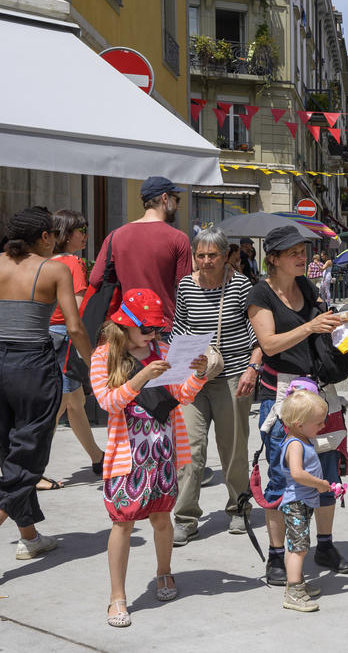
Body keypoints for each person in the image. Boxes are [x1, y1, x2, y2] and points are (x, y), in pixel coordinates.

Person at [88, 288, 208, 628]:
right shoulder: (104, 356)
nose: (152, 335)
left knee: (161, 518)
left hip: (162, 452)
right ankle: (117, 596)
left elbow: (181, 396)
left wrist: (198, 374)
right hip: (126, 456)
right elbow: (107, 402)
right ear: (124, 325)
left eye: (157, 328)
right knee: (122, 523)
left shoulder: (163, 351)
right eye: (146, 329)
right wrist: (142, 377)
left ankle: (164, 572)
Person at [247, 224, 348, 586]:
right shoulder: (261, 294)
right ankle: (277, 556)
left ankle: (325, 545)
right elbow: (269, 344)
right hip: (281, 394)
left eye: (302, 250)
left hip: (318, 392)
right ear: (274, 258)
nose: (301, 256)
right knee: (282, 476)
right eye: (292, 252)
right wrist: (311, 327)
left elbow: (322, 325)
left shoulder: (306, 287)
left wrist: (338, 322)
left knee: (327, 470)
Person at [0, 208, 92, 563]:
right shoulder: (54, 269)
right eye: (54, 234)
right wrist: (93, 362)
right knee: (29, 455)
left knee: (10, 453)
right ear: (43, 237)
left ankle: (29, 537)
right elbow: (74, 326)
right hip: (32, 366)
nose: (56, 240)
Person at [171, 228, 261, 545]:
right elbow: (179, 328)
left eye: (212, 255)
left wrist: (252, 368)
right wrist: (177, 367)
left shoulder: (240, 285)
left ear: (225, 256)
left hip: (233, 376)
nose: (206, 261)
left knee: (233, 449)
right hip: (194, 379)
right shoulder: (186, 286)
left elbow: (255, 332)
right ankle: (185, 518)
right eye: (201, 255)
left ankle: (239, 508)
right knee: (189, 450)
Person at [46, 210, 104, 481]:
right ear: (67, 234)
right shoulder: (72, 262)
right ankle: (30, 468)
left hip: (46, 335)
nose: (85, 235)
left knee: (76, 401)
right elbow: (78, 310)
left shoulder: (45, 261)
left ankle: (97, 457)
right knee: (59, 405)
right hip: (66, 337)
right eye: (81, 230)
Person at [89, 176, 193, 319]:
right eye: (177, 199)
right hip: (162, 322)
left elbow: (96, 279)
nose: (177, 206)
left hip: (128, 322)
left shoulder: (115, 236)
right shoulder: (179, 238)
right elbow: (186, 290)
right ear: (164, 198)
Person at [277, 386, 336, 612]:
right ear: (299, 424)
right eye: (318, 423)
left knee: (296, 545)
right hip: (296, 503)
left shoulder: (302, 439)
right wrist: (320, 484)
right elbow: (297, 473)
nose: (322, 426)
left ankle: (297, 583)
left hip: (302, 502)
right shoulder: (295, 444)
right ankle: (293, 592)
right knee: (299, 548)